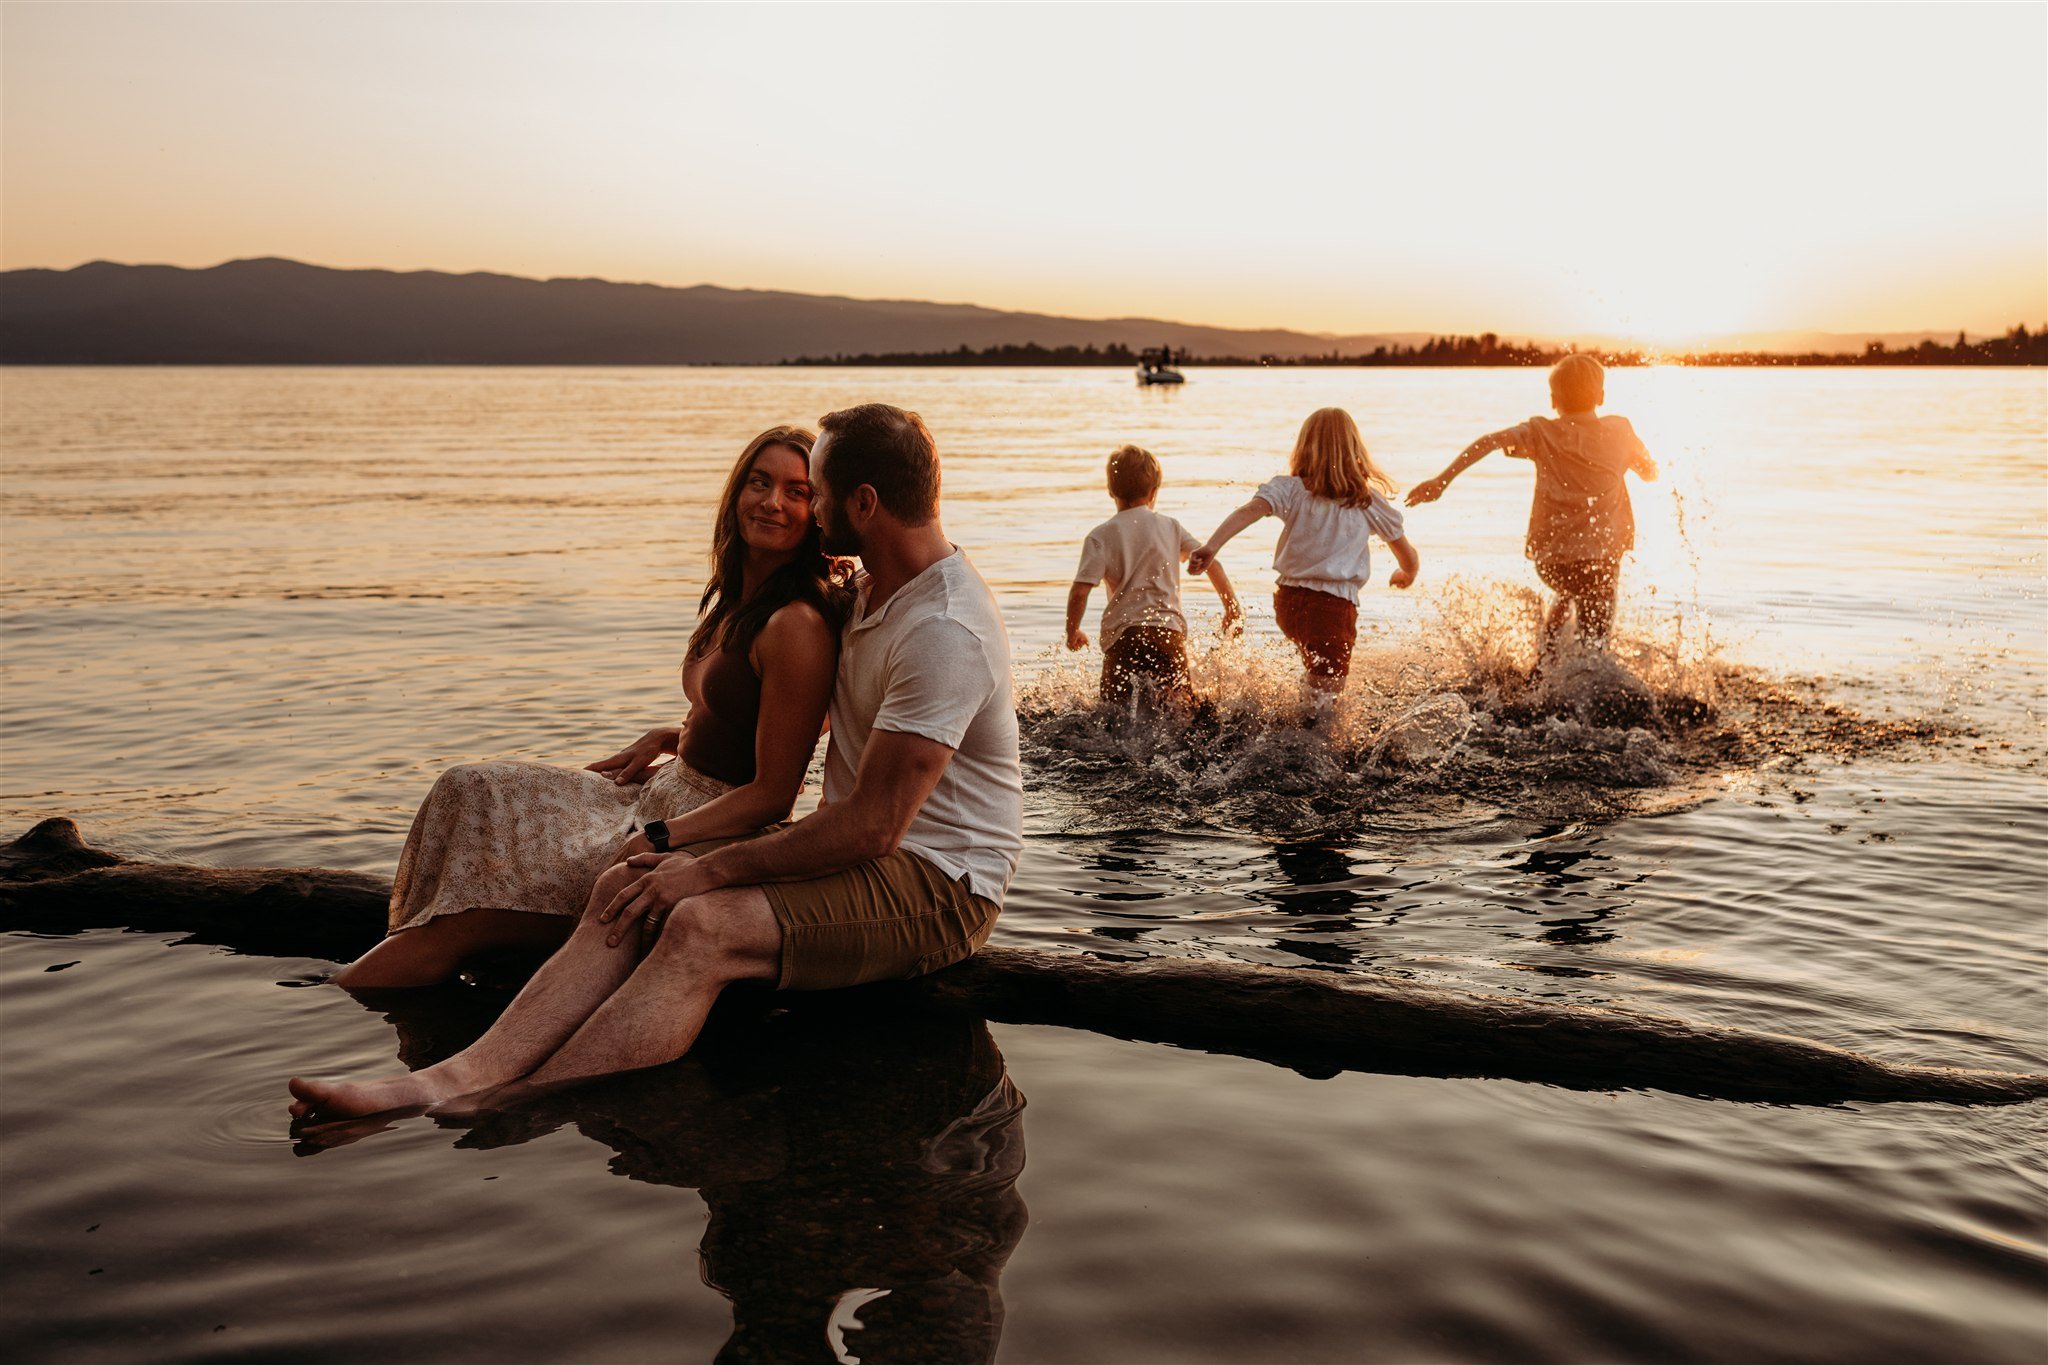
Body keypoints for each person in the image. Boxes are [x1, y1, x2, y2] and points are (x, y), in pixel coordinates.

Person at [290, 403, 1024, 1119]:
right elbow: (766, 715)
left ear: (863, 502)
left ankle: (517, 1098)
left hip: (942, 881)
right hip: (865, 852)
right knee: (626, 881)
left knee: (698, 924)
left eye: (818, 490)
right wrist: (678, 740)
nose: (812, 510)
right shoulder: (868, 591)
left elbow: (872, 828)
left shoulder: (944, 629)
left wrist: (704, 866)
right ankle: (451, 1076)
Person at [329, 425, 846, 989]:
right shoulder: (741, 596)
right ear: (735, 493)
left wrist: (660, 837)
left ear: (818, 509)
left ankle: (347, 993)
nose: (772, 502)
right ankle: (420, 938)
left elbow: (773, 791)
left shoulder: (794, 625)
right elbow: (743, 715)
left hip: (706, 826)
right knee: (469, 787)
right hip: (662, 788)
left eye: (796, 491)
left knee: (462, 922)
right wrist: (670, 735)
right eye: (759, 482)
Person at [1405, 354, 1658, 653]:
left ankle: (1542, 666)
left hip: (1552, 560)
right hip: (1600, 558)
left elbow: (1489, 442)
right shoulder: (1619, 430)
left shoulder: (1542, 432)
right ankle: (1586, 680)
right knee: (1596, 641)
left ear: (1554, 400)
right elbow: (1650, 472)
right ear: (1601, 396)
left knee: (1567, 593)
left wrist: (1442, 481)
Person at [1186, 407, 1420, 692]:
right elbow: (1407, 556)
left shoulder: (1290, 489)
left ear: (1305, 447)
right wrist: (1407, 574)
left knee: (1315, 675)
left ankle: (1293, 719)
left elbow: (1250, 511)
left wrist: (1212, 546)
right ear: (1354, 449)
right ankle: (1311, 731)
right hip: (1332, 608)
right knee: (1328, 696)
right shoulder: (1365, 500)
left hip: (1288, 603)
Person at [1064, 443, 1242, 709]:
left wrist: (1072, 630)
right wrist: (1232, 608)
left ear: (1111, 490)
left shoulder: (1100, 535)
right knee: (1180, 710)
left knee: (1112, 712)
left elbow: (1080, 590)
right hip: (1167, 633)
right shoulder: (1170, 527)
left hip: (1123, 637)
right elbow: (1211, 563)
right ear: (1153, 492)